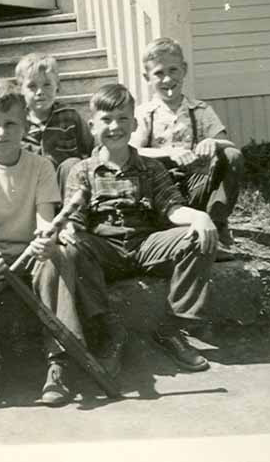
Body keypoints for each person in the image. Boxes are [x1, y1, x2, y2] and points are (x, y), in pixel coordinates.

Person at [63, 83, 219, 375]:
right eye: (106, 120)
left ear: (134, 124)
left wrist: (199, 217)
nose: (115, 126)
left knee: (199, 236)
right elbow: (75, 217)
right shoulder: (82, 170)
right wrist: (69, 229)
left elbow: (172, 208)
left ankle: (173, 329)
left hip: (145, 245)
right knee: (73, 248)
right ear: (92, 125)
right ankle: (108, 332)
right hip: (104, 249)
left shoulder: (150, 168)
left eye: (123, 119)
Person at [0, 80, 91, 409]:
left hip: (30, 253)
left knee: (56, 254)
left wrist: (46, 238)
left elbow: (46, 218)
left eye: (10, 123)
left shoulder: (41, 166)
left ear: (25, 125)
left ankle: (58, 361)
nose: (2, 132)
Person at [130, 38, 244, 254]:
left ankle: (216, 222)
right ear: (147, 78)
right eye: (159, 73)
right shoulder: (145, 113)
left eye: (173, 70)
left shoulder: (199, 109)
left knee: (232, 155)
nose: (167, 79)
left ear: (184, 70)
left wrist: (212, 141)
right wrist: (168, 153)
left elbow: (228, 144)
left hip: (195, 181)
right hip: (160, 187)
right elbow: (133, 151)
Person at [17, 53, 94, 198]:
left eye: (47, 84)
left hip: (66, 187)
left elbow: (90, 148)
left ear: (57, 86)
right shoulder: (18, 122)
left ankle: (71, 215)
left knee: (72, 164)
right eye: (32, 86)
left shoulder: (70, 116)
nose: (40, 92)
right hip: (31, 189)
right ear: (21, 89)